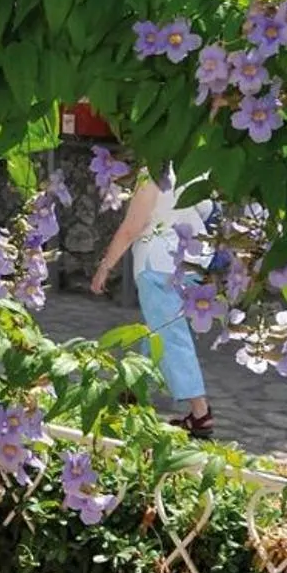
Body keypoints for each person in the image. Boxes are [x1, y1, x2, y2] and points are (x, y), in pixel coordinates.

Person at [91, 170, 215, 437]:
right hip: (190, 261)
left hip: (158, 263)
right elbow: (206, 210)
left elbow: (131, 228)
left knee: (170, 335)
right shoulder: (195, 166)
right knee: (157, 328)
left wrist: (105, 266)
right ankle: (135, 390)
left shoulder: (154, 172)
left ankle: (200, 411)